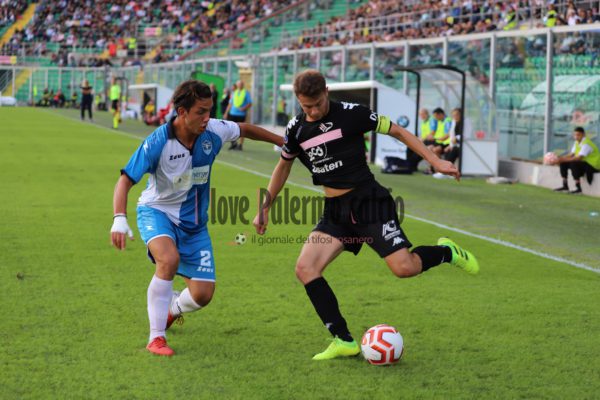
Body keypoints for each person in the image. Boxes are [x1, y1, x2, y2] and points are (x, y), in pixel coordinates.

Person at [252, 70, 479, 361]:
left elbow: (397, 131)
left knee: (404, 268)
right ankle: (343, 340)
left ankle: (447, 252)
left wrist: (435, 160)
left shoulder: (353, 114)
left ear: (327, 92)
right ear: (298, 99)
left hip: (369, 202)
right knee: (305, 268)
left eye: (318, 104)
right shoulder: (296, 128)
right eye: (306, 106)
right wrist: (265, 206)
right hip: (336, 211)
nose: (313, 111)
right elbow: (283, 165)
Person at [110, 80, 284, 357]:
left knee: (203, 294)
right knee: (168, 260)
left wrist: (282, 142)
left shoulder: (214, 130)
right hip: (157, 212)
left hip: (194, 225)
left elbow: (245, 129)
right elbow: (125, 180)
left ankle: (172, 308)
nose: (207, 118)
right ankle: (156, 337)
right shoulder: (158, 141)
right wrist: (119, 217)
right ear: (182, 112)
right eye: (201, 112)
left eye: (209, 110)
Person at [551, 127, 600, 194]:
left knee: (574, 163)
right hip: (585, 164)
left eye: (578, 135)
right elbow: (571, 155)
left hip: (593, 166)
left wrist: (562, 159)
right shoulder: (576, 142)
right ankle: (565, 186)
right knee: (563, 163)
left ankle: (578, 188)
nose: (576, 137)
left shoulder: (586, 144)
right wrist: (559, 158)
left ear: (583, 135)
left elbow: (578, 158)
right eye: (575, 135)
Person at [224, 80, 252, 151]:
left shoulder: (246, 93)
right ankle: (233, 143)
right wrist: (226, 113)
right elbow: (230, 104)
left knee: (242, 130)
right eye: (238, 84)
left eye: (241, 84)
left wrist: (244, 108)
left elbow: (250, 103)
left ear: (243, 85)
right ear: (237, 85)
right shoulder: (234, 93)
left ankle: (240, 145)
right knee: (231, 129)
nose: (239, 85)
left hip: (241, 115)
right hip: (232, 113)